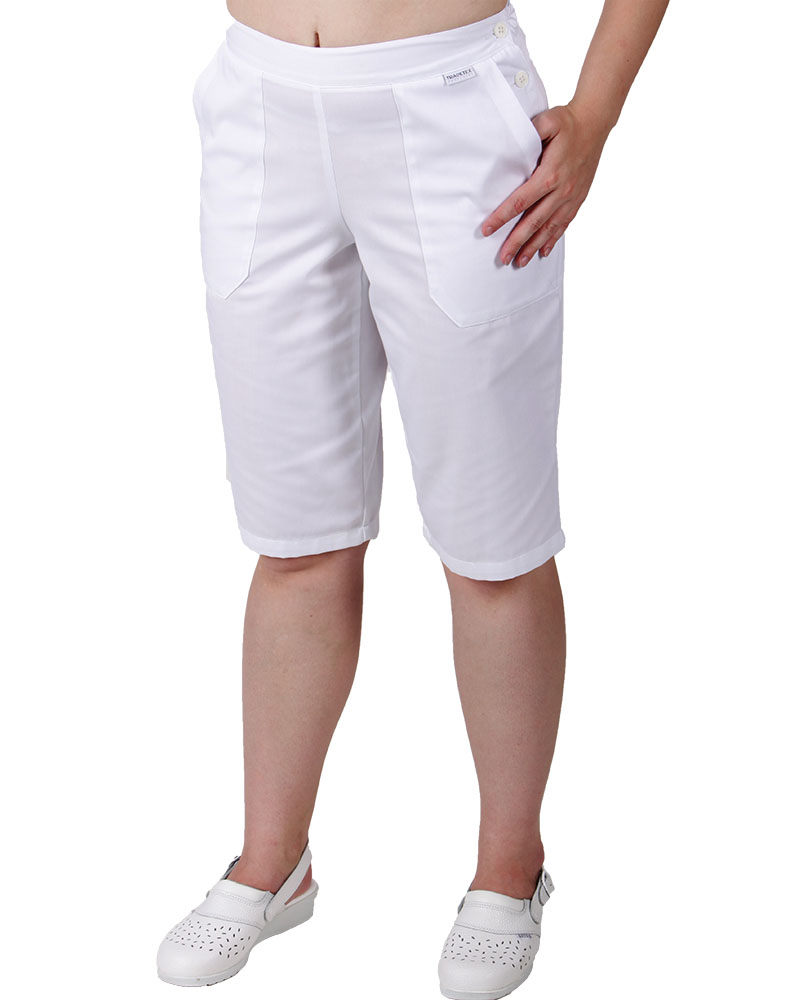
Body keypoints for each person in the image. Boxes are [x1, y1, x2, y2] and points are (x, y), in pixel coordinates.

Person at [156, 0, 669, 994]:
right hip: (259, 105)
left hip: (450, 111)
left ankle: (508, 868)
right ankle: (273, 862)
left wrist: (595, 115)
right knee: (293, 534)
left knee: (491, 540)